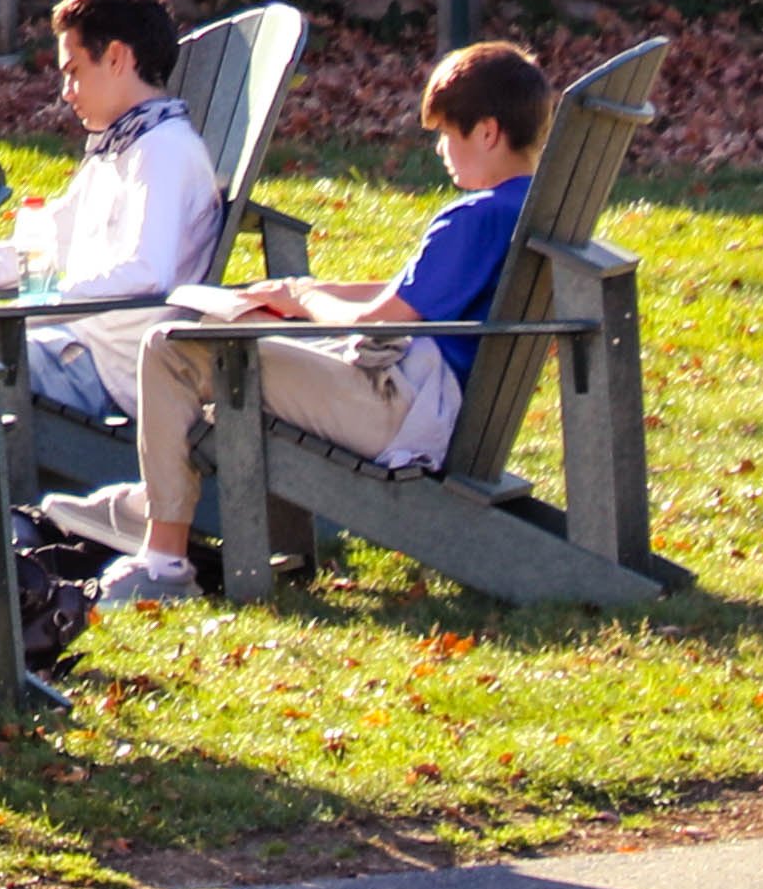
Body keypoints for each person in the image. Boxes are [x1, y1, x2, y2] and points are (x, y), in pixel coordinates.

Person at [42, 37, 553, 611]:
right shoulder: (521, 206)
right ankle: (147, 505)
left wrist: (305, 304)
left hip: (399, 411)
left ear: (486, 132)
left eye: (446, 134)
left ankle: (162, 558)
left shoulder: (475, 217)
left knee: (171, 347)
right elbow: (407, 296)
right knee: (232, 338)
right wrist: (302, 291)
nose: (439, 150)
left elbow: (381, 319)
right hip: (428, 400)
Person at [0, 0, 223, 425]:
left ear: (116, 57)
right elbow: (45, 246)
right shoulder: (121, 148)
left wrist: (20, 317)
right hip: (73, 346)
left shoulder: (162, 151)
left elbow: (148, 272)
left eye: (73, 72)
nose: (67, 93)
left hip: (109, 374)